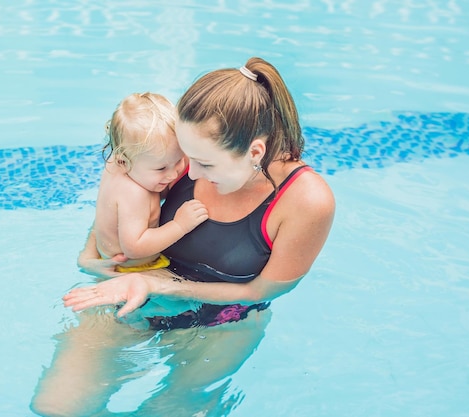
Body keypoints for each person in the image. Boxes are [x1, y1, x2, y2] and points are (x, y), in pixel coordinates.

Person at [31, 57, 335, 417]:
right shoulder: (181, 152)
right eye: (185, 157)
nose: (187, 173)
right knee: (55, 408)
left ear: (255, 152)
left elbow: (263, 291)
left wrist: (159, 286)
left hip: (222, 323)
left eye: (205, 164)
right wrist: (91, 253)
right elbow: (119, 199)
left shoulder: (306, 201)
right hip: (137, 300)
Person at [92, 92, 208, 275]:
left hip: (106, 259)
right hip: (133, 269)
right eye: (161, 169)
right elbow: (134, 247)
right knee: (182, 303)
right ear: (125, 161)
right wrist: (179, 225)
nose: (173, 174)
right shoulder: (134, 193)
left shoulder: (121, 162)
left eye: (178, 160)